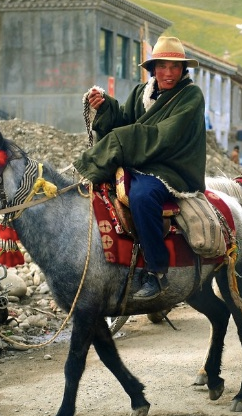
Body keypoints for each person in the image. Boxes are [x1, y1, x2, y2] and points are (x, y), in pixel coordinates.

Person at [74, 36, 205, 300]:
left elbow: (164, 135)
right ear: (153, 68)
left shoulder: (191, 96)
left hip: (171, 168)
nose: (169, 73)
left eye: (175, 67)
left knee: (143, 196)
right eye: (163, 66)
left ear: (183, 70)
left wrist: (122, 139)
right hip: (140, 162)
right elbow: (123, 119)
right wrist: (105, 105)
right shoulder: (140, 93)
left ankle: (156, 271)